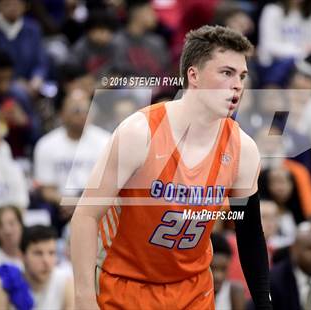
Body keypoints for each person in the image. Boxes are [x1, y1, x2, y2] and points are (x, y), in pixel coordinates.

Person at [71, 25, 272, 309]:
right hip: (125, 284)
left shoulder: (244, 149)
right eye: (226, 73)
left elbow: (248, 231)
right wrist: (83, 299)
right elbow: (85, 217)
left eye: (242, 76)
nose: (238, 85)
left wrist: (264, 303)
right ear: (194, 75)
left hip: (193, 289)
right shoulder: (139, 133)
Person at [33, 89, 110, 235]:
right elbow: (46, 189)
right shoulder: (46, 144)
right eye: (76, 110)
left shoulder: (106, 141)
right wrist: (67, 201)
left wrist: (82, 204)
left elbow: (109, 185)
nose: (82, 115)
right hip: (60, 208)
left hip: (96, 204)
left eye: (86, 110)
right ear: (62, 114)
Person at [0, 225, 74, 310]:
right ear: (22, 255)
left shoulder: (65, 283)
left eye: (51, 253)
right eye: (38, 253)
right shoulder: (2, 284)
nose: (46, 261)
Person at [211, 232, 246, 310]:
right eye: (212, 268)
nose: (218, 276)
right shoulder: (194, 293)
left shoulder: (235, 291)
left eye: (223, 269)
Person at [0, 206, 24, 277]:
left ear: (21, 225)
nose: (7, 231)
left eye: (12, 223)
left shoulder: (34, 257)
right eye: (0, 226)